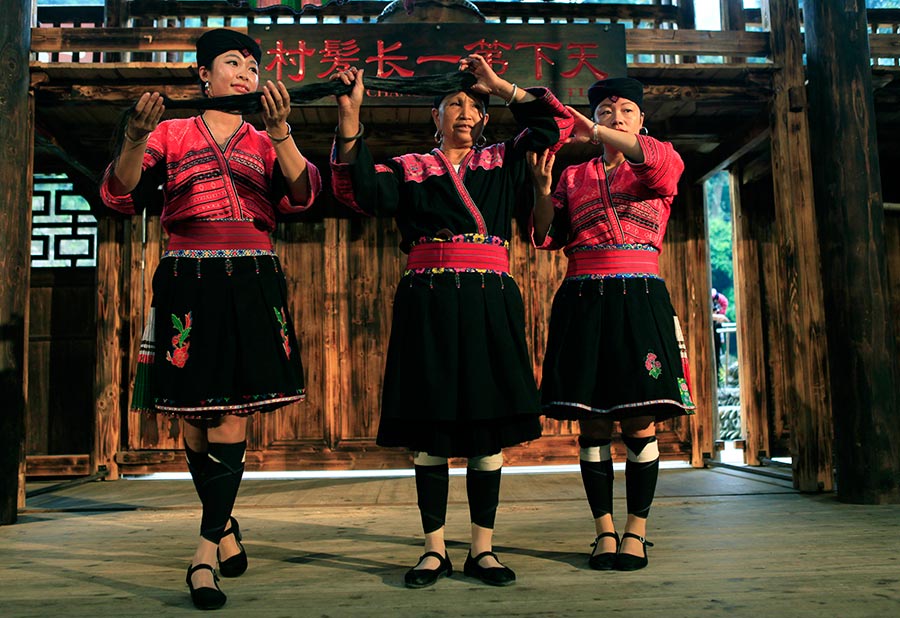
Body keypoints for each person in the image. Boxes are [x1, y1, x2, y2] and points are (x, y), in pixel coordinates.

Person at [100, 29, 321, 610]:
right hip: (187, 277)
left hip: (250, 276)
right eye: (232, 62)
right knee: (195, 418)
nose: (246, 72)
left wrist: (282, 133)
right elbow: (122, 191)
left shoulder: (265, 135)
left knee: (230, 411)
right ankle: (224, 526)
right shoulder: (170, 133)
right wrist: (133, 135)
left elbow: (301, 195)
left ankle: (202, 553)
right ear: (204, 75)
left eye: (252, 64)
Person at [330, 57, 572, 588]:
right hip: (428, 300)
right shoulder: (408, 166)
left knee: (487, 432)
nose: (466, 111)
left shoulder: (506, 159)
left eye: (475, 105)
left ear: (486, 118)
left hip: (489, 299)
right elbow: (361, 193)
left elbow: (559, 124)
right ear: (433, 117)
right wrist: (351, 121)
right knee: (432, 428)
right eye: (455, 103)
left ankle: (483, 549)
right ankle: (434, 549)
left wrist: (501, 86)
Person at [528, 77, 695, 571]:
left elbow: (652, 165)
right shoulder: (573, 176)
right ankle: (603, 530)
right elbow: (546, 234)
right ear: (594, 117)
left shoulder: (661, 158)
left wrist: (595, 135)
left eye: (625, 110)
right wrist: (541, 190)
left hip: (639, 295)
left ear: (641, 120)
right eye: (604, 111)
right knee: (593, 422)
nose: (616, 117)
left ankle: (636, 531)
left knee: (639, 420)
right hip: (583, 296)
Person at [711, 288, 729, 375]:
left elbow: (725, 303)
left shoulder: (716, 297)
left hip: (716, 327)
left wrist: (720, 314)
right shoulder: (716, 297)